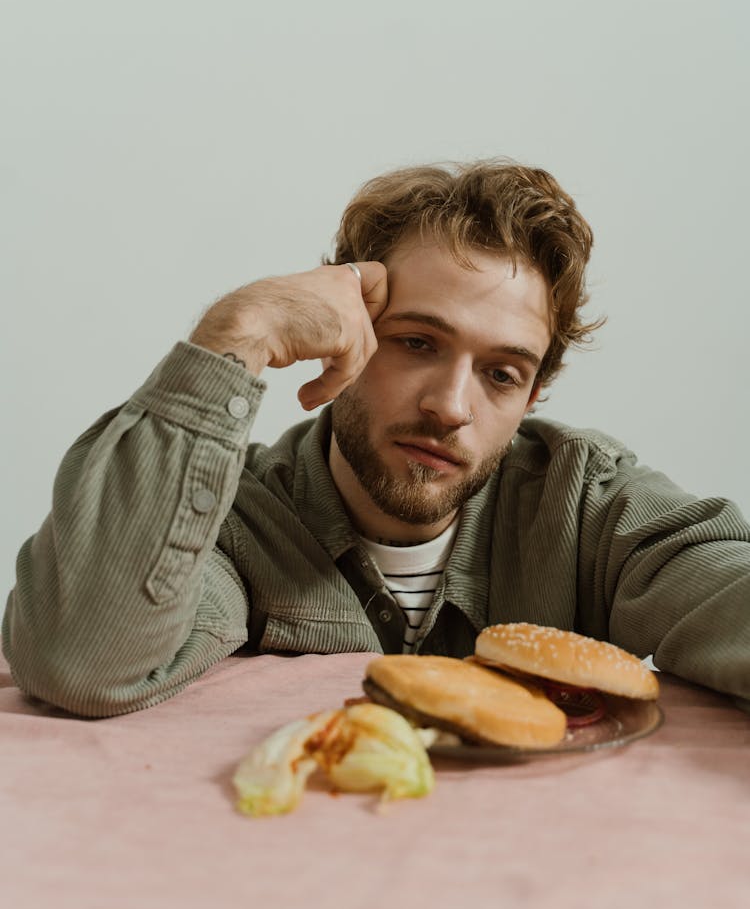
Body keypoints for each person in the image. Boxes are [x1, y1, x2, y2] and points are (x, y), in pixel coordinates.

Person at [3, 160, 749, 718]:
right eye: (418, 343)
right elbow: (82, 656)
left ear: (533, 393)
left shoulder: (585, 503)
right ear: (345, 332)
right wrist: (238, 335)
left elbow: (721, 585)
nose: (450, 406)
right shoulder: (235, 525)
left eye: (501, 373)